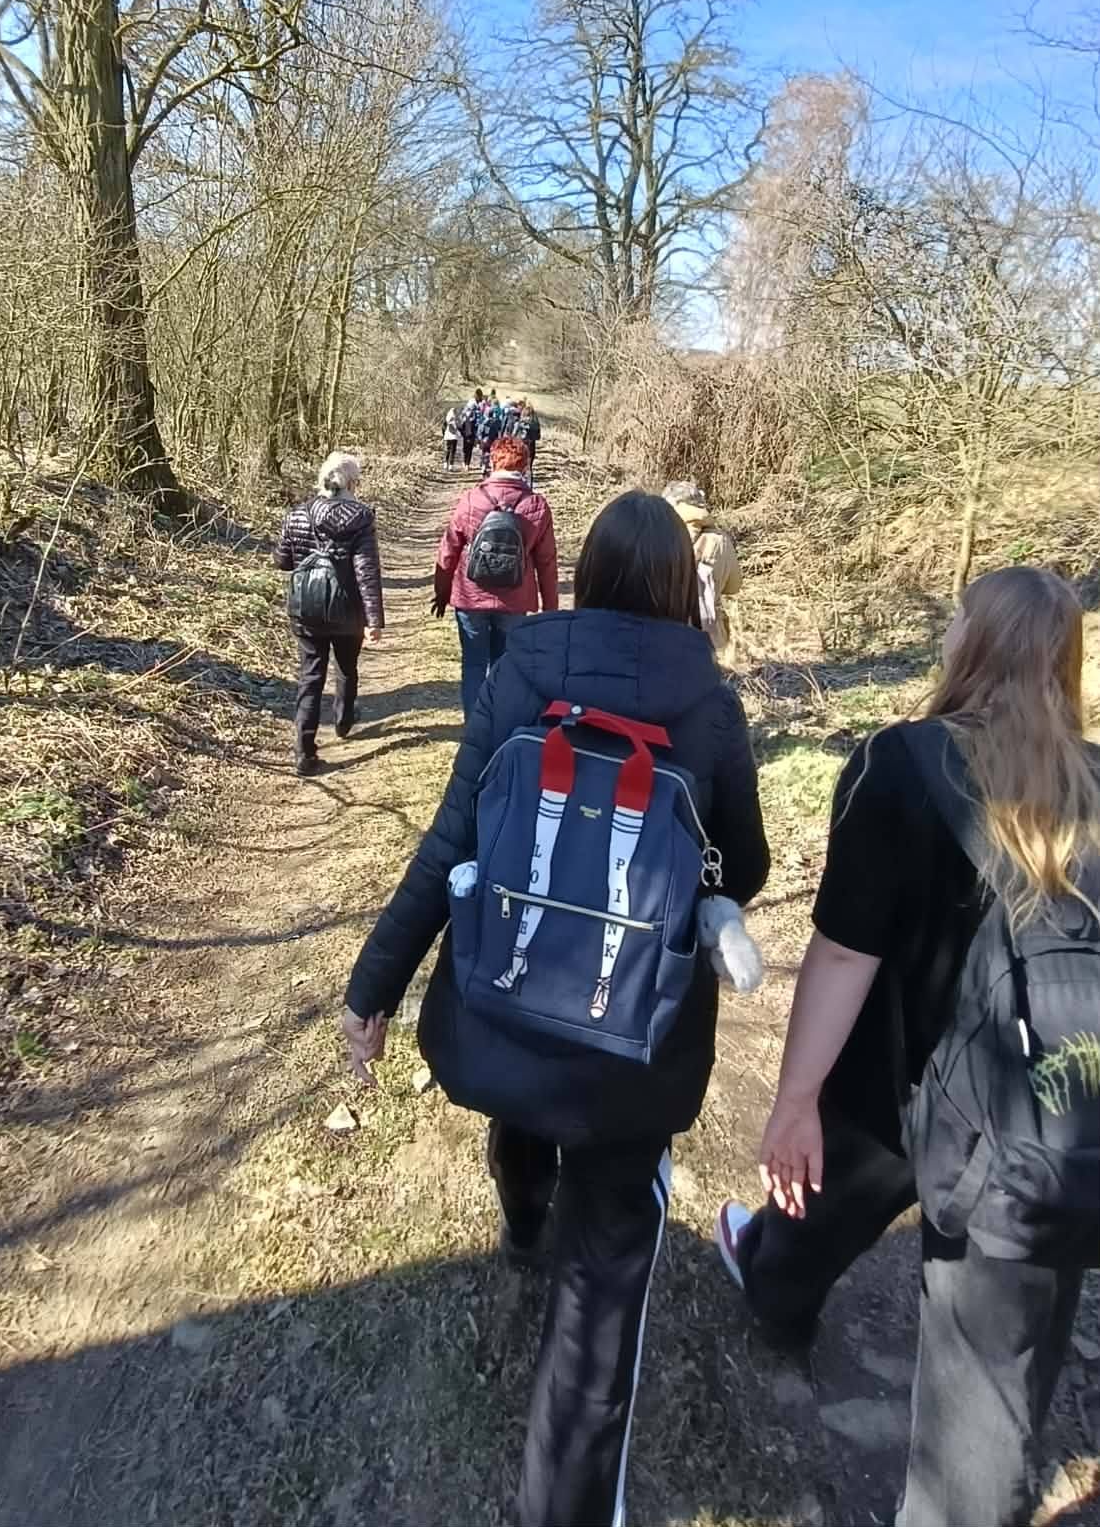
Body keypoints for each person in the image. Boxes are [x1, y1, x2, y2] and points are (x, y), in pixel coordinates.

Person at [342, 490, 770, 1527]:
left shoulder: (522, 672)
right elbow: (746, 865)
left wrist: (372, 990)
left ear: (584, 575)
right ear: (679, 588)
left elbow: (451, 840)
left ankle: (523, 1211)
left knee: (525, 1105)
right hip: (637, 1038)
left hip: (512, 994)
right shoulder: (710, 704)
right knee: (602, 1285)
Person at [715, 566, 1100, 1527]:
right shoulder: (1095, 785)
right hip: (1044, 1122)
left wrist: (793, 1098)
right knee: (999, 1384)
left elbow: (846, 951)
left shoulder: (900, 764)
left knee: (817, 1203)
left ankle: (774, 1296)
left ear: (971, 646)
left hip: (901, 1085)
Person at [432, 434, 559, 719]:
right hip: (515, 601)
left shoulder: (471, 499)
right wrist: (550, 609)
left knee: (473, 665)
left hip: (470, 597)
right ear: (525, 467)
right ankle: (498, 726)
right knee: (505, 667)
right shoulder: (536, 505)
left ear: (492, 463)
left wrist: (442, 592)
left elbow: (448, 549)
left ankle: (474, 726)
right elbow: (547, 562)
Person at [273, 451, 384, 774]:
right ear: (352, 483)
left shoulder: (297, 514)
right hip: (347, 609)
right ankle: (343, 719)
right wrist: (374, 620)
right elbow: (366, 571)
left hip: (306, 608)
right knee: (346, 667)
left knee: (310, 675)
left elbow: (282, 561)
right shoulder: (362, 517)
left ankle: (303, 751)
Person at [663, 480, 742, 660]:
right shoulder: (720, 540)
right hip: (709, 640)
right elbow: (734, 586)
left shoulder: (659, 536)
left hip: (665, 637)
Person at [476, 399, 503, 476]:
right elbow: (498, 432)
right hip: (492, 440)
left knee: (484, 453)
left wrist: (479, 439)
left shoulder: (483, 421)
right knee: (492, 454)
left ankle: (483, 467)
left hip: (484, 440)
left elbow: (480, 431)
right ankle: (491, 467)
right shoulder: (496, 422)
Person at [515, 399, 541, 472]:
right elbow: (538, 437)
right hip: (531, 446)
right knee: (529, 467)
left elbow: (515, 434)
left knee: (520, 466)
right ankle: (529, 478)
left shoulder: (520, 422)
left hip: (521, 445)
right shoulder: (535, 423)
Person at [459, 396, 480, 469]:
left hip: (466, 435)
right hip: (472, 435)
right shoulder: (475, 417)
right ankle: (467, 464)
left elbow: (460, 427)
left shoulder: (465, 417)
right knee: (469, 450)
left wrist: (463, 434)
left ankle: (465, 463)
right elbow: (477, 426)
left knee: (465, 449)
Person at [442, 404, 462, 469]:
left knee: (447, 451)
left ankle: (445, 464)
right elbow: (460, 427)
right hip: (454, 437)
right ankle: (451, 465)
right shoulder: (457, 419)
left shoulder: (447, 420)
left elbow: (443, 428)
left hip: (447, 437)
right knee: (452, 452)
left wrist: (444, 435)